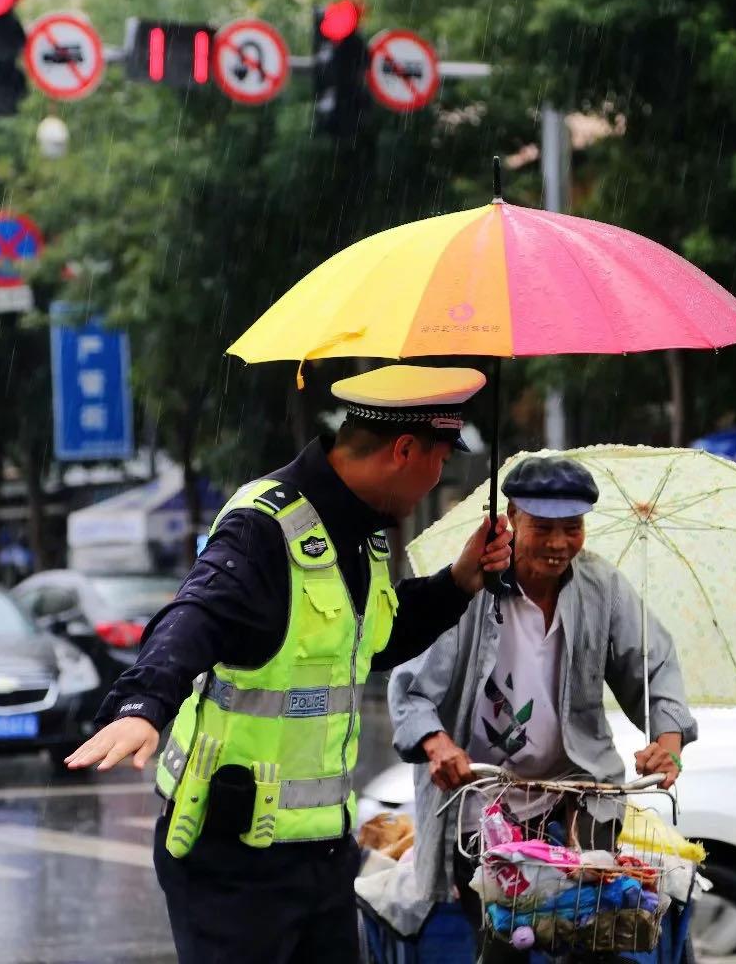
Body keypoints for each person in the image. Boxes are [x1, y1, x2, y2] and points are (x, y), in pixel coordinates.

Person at [65, 364, 513, 964]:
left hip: (322, 853)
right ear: (404, 450)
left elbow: (373, 640)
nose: (441, 474)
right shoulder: (264, 526)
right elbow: (196, 613)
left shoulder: (365, 537)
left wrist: (458, 583)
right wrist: (145, 703)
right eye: (439, 458)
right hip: (232, 857)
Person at [387, 455, 697, 962]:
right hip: (485, 797)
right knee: (503, 943)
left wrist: (668, 744)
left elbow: (653, 665)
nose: (558, 544)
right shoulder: (470, 586)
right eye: (544, 528)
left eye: (572, 529)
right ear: (510, 518)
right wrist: (437, 744)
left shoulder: (602, 587)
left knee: (596, 939)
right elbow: (411, 687)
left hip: (578, 789)